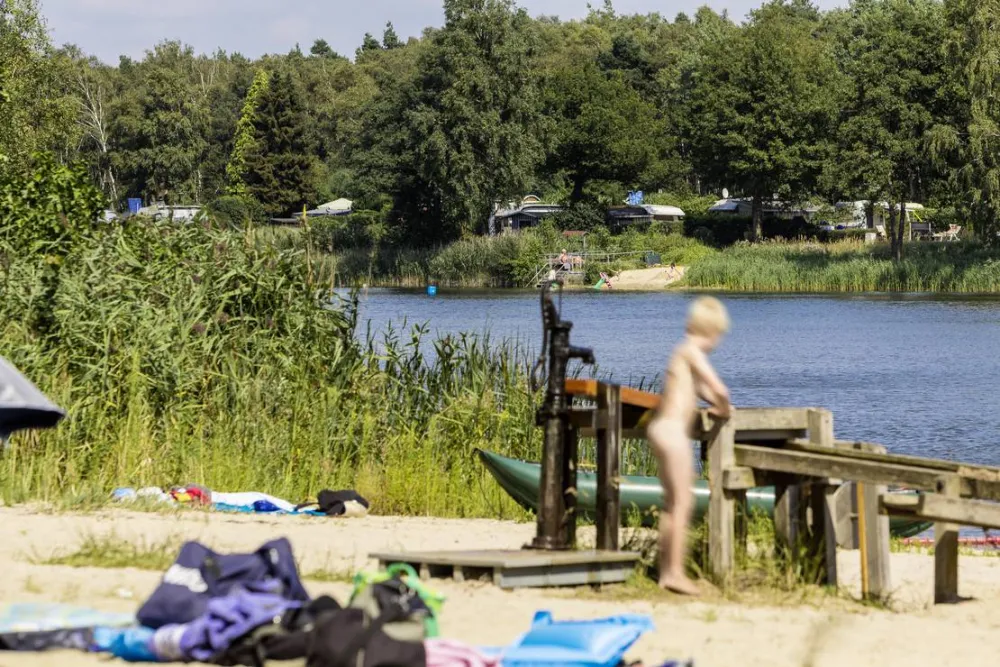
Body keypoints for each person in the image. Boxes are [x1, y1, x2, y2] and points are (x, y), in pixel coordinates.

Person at [646, 296, 732, 595]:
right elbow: (720, 390)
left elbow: (704, 390)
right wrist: (724, 410)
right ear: (711, 332)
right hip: (672, 433)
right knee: (684, 503)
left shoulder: (681, 354)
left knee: (673, 505)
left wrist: (714, 400)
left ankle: (667, 570)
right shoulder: (692, 351)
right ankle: (675, 573)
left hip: (660, 429)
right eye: (718, 336)